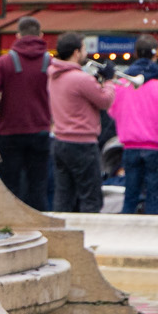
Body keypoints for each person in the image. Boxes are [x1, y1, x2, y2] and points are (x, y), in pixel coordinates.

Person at [0, 17, 54, 211]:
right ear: (41, 35)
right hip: (40, 131)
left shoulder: (5, 62)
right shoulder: (50, 62)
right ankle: (39, 230)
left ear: (18, 36)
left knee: (10, 186)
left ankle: (12, 229)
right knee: (38, 186)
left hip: (9, 132)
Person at [48, 32, 117, 213]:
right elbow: (105, 101)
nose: (86, 53)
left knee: (64, 196)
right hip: (83, 144)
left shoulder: (52, 74)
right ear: (77, 52)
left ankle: (63, 237)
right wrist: (109, 81)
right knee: (91, 197)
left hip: (60, 141)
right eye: (84, 49)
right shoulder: (80, 78)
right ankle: (90, 236)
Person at [113, 42, 158, 214]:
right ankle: (152, 237)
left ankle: (125, 235)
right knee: (153, 198)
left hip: (130, 146)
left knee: (130, 197)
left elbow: (113, 111)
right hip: (157, 148)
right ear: (155, 55)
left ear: (135, 54)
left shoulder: (122, 85)